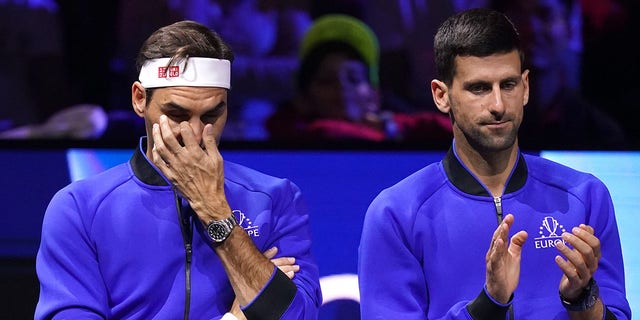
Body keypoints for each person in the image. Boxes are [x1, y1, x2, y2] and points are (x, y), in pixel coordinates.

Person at [35, 20, 322, 320]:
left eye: (213, 114)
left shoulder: (275, 198)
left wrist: (215, 212)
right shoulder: (79, 208)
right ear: (139, 99)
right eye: (176, 114)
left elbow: (296, 316)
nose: (196, 133)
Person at [358, 8, 631, 319]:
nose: (498, 105)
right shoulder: (397, 214)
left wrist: (582, 298)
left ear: (525, 87)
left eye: (509, 85)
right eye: (479, 88)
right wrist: (490, 303)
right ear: (441, 95)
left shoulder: (585, 196)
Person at [266, 14, 452, 144]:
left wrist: (389, 126)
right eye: (326, 81)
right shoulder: (287, 131)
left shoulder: (395, 124)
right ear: (305, 97)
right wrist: (384, 133)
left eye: (354, 79)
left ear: (374, 95)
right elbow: (323, 131)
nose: (341, 88)